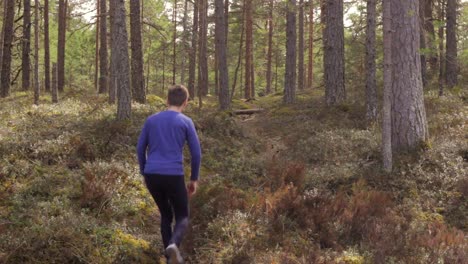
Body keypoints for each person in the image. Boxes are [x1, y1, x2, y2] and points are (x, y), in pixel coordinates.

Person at [137, 85, 201, 264]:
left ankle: (169, 258)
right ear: (185, 102)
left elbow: (140, 148)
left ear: (167, 100)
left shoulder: (151, 120)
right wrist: (194, 179)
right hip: (173, 174)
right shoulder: (186, 121)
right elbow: (196, 154)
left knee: (165, 214)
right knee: (182, 215)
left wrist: (144, 171)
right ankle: (173, 245)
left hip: (152, 174)